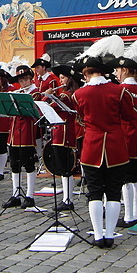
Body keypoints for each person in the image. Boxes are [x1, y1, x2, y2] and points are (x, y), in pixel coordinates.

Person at [72, 35, 137, 249]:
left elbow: (80, 117)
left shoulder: (79, 94)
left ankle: (98, 235)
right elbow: (129, 116)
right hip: (116, 148)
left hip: (91, 148)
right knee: (113, 192)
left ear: (86, 73)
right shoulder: (119, 91)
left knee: (94, 192)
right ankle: (110, 234)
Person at [107, 41, 137, 227]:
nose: (116, 74)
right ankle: (135, 214)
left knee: (125, 178)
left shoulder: (119, 90)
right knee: (135, 177)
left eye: (118, 70)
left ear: (125, 70)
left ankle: (128, 216)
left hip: (123, 138)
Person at [2, 64, 42, 209]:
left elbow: (35, 113)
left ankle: (30, 195)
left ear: (31, 79)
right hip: (13, 133)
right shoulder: (16, 92)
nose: (24, 82)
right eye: (21, 80)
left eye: (26, 79)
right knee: (14, 165)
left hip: (27, 133)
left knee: (28, 164)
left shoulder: (36, 93)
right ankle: (16, 194)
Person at [44, 64, 82, 212]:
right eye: (59, 78)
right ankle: (66, 198)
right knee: (63, 167)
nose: (60, 81)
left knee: (65, 168)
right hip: (60, 132)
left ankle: (68, 199)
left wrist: (46, 96)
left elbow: (51, 106)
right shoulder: (67, 94)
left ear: (70, 79)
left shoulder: (66, 95)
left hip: (65, 133)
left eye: (63, 78)